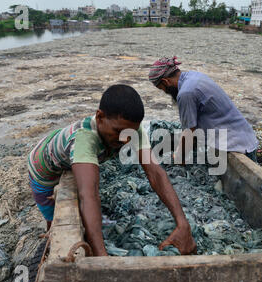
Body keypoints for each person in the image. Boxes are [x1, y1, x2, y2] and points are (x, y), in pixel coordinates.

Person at [28, 84, 196, 256]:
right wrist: (103, 257)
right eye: (118, 132)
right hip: (43, 167)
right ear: (99, 117)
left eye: (130, 133)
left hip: (69, 154)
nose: (125, 140)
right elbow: (89, 195)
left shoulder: (130, 130)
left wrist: (183, 223)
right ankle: (47, 241)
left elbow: (155, 173)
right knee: (54, 216)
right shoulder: (84, 138)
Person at [148, 56, 259, 163]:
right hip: (247, 139)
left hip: (236, 146)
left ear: (165, 81)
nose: (165, 92)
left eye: (162, 89)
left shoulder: (186, 93)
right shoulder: (194, 76)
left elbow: (188, 133)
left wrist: (178, 157)